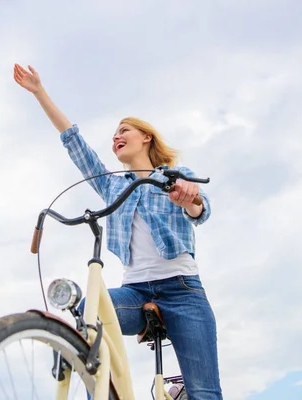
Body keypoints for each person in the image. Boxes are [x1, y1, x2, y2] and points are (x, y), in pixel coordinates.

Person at [13, 63, 222, 400]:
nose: (116, 137)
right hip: (135, 293)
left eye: (124, 130)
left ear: (146, 137)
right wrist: (40, 92)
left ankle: (181, 390)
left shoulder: (173, 176)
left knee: (205, 393)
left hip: (183, 291)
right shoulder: (111, 186)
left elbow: (201, 209)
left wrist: (190, 198)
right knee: (87, 311)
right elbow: (75, 145)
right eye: (113, 136)